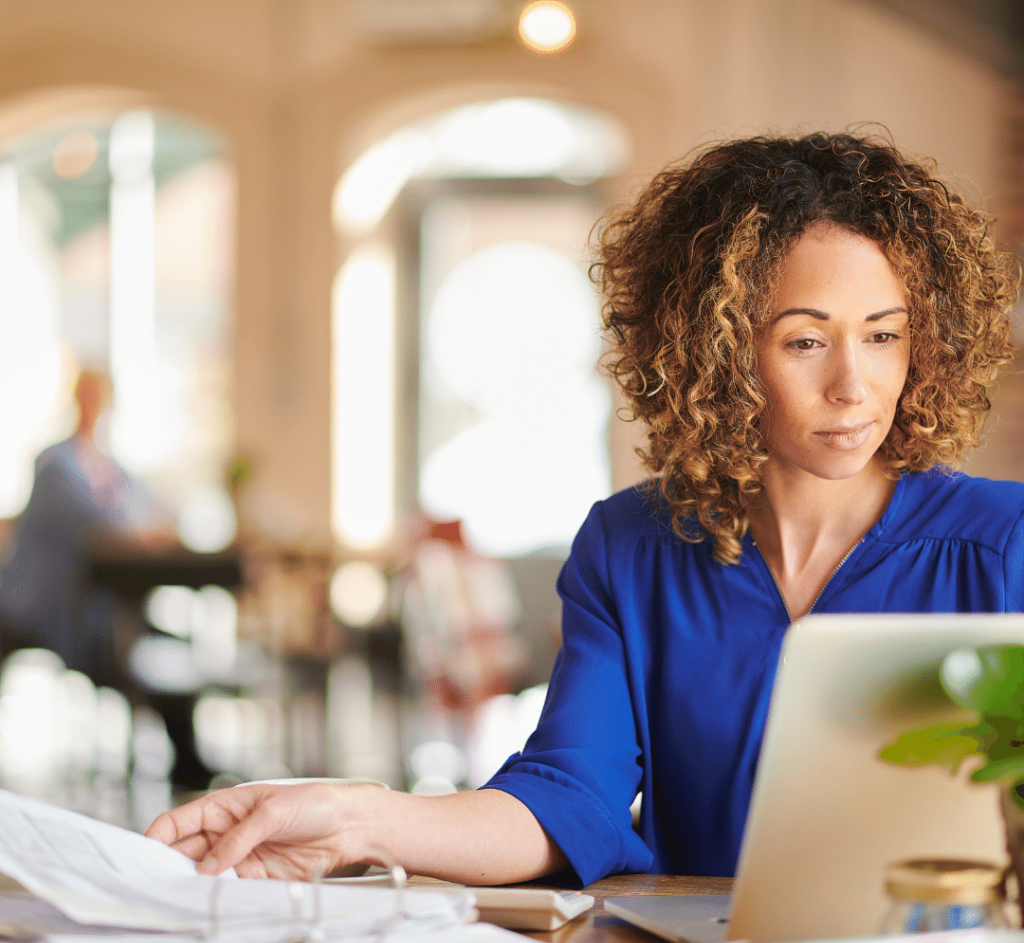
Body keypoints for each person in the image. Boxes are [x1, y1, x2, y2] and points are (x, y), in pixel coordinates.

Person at [146, 131, 1023, 887]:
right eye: (804, 340)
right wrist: (357, 821)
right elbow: (568, 797)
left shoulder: (1004, 546)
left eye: (884, 333)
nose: (852, 384)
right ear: (716, 353)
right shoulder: (632, 546)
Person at [0, 369, 166, 680]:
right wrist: (137, 533)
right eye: (88, 396)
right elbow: (96, 518)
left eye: (100, 397)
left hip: (88, 594)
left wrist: (158, 526)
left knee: (137, 625)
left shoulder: (108, 467)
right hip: (42, 595)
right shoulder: (53, 464)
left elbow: (150, 506)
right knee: (118, 632)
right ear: (75, 399)